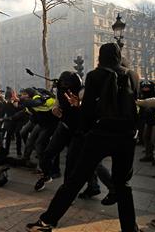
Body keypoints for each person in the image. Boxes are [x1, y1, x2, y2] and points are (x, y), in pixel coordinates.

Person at [26, 43, 140, 232]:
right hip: (127, 138)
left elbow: (88, 113)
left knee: (74, 180)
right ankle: (130, 229)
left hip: (100, 135)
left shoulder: (95, 75)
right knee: (123, 186)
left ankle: (47, 222)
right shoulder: (133, 76)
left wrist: (83, 124)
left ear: (101, 57)